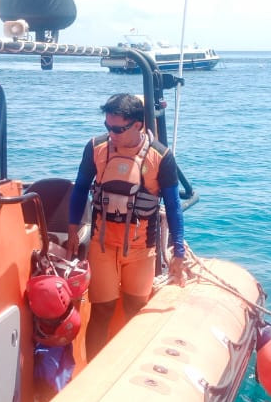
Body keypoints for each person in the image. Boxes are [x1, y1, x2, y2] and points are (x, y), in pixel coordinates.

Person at [66, 94, 187, 359]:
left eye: (118, 129)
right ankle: (94, 371)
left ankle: (131, 364)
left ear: (138, 125)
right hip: (102, 244)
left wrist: (178, 250)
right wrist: (73, 226)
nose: (112, 133)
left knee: (135, 309)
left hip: (141, 248)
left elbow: (174, 206)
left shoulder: (161, 156)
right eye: (108, 127)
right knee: (102, 310)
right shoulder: (96, 147)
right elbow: (80, 189)